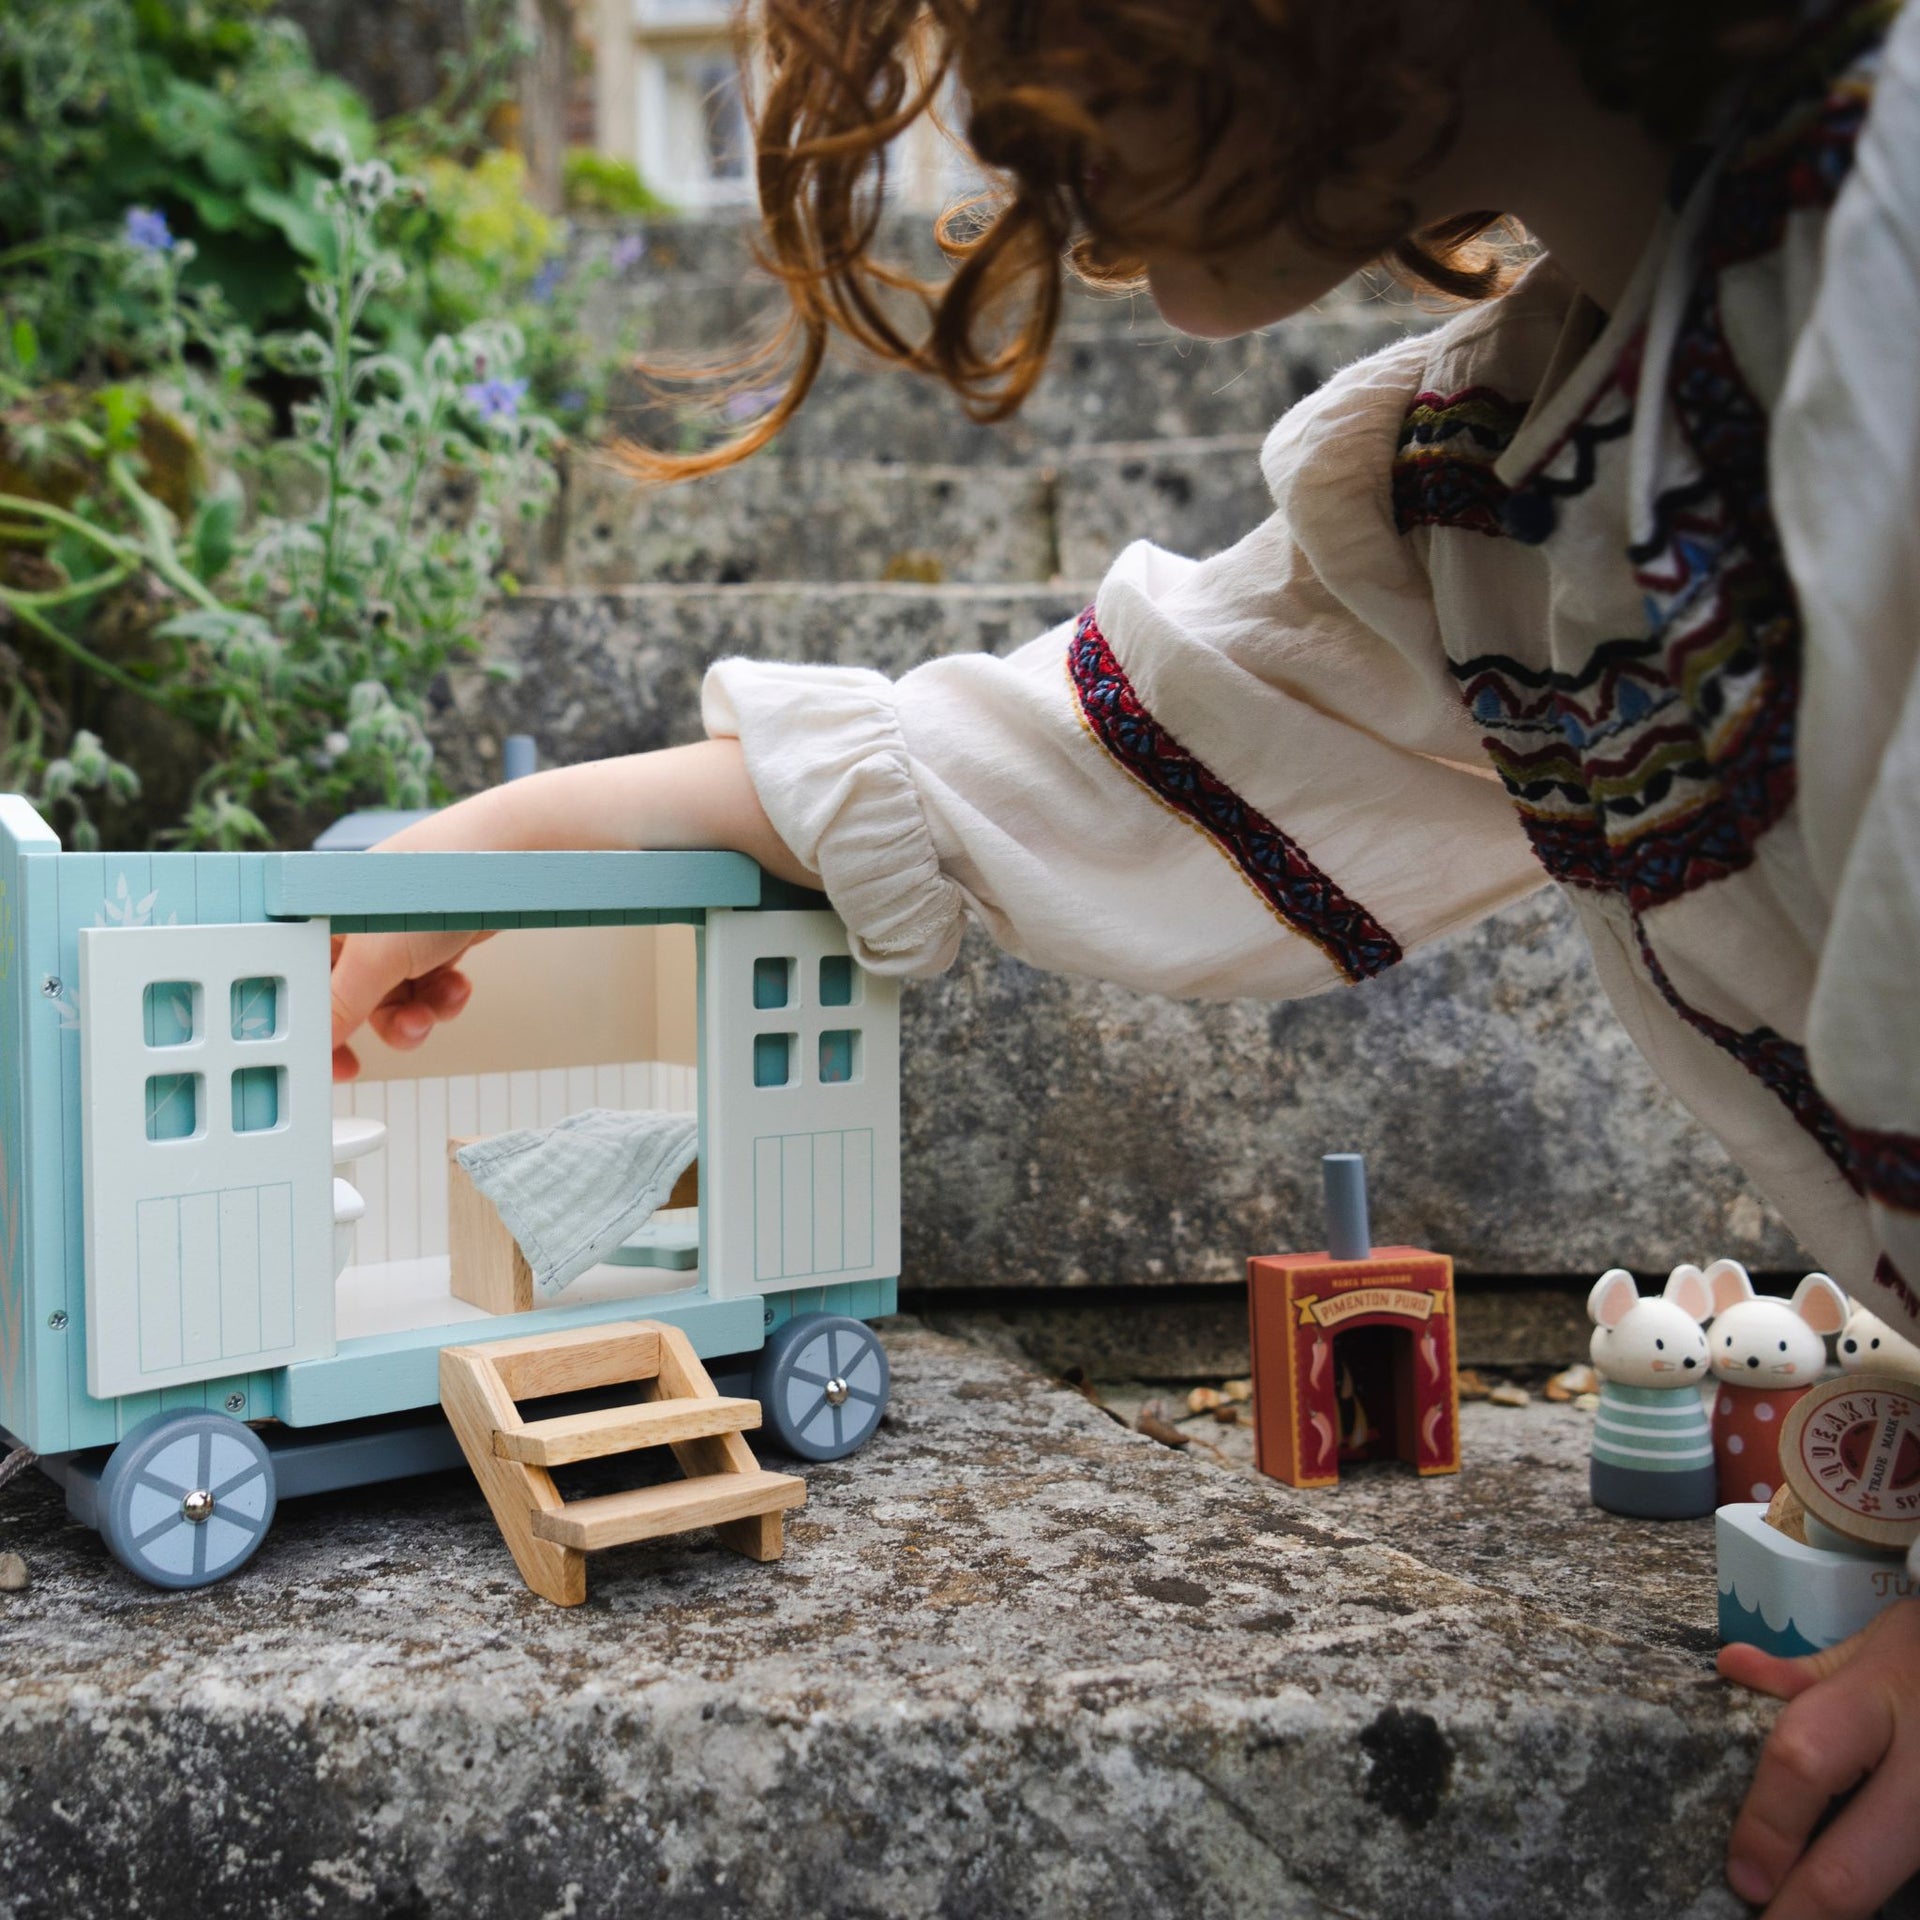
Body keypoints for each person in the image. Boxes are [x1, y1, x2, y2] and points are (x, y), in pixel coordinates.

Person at [328, 1, 1920, 1911]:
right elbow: (1109, 763)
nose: (1022, 153)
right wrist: (508, 835)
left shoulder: (1880, 252)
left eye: (1026, 45)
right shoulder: (1505, 468)